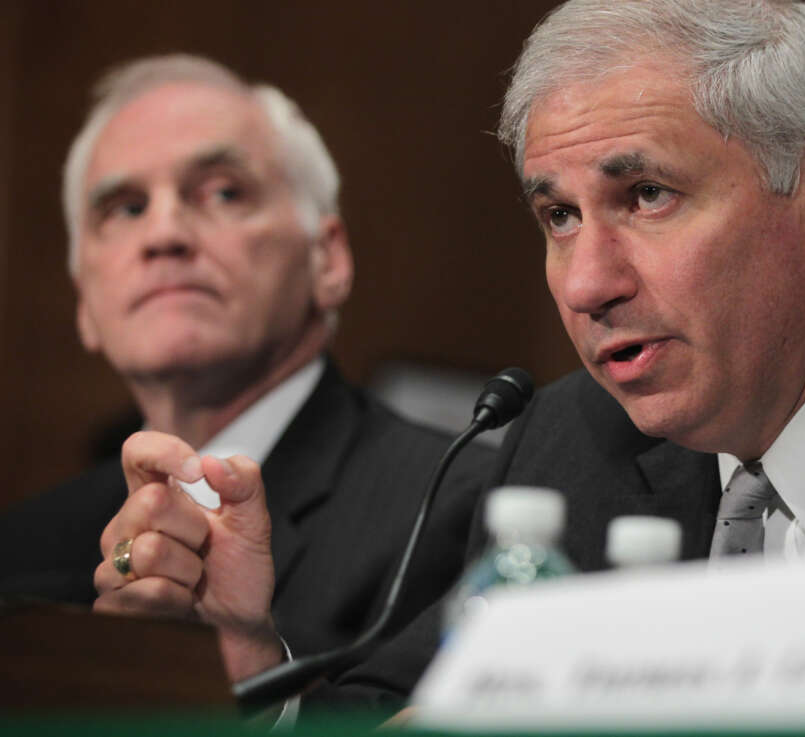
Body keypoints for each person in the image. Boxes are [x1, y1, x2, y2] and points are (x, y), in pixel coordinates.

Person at [73, 0, 805, 714]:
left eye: (647, 196)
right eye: (557, 215)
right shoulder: (569, 443)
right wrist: (246, 648)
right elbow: (397, 713)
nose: (587, 280)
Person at [0, 55, 492, 676]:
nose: (165, 234)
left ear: (328, 260)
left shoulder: (459, 509)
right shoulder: (20, 550)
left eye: (224, 192)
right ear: (85, 306)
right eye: (125, 208)